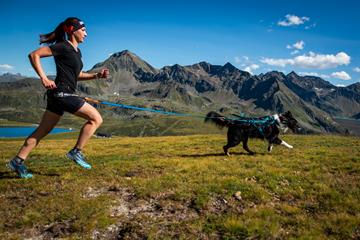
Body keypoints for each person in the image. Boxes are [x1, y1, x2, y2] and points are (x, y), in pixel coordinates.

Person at [8, 17, 109, 178]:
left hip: (59, 95)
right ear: (72, 30)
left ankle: (17, 161)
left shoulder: (76, 51)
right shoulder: (63, 46)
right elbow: (34, 55)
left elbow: (77, 75)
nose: (86, 34)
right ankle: (76, 152)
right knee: (96, 118)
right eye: (83, 30)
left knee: (42, 130)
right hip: (63, 93)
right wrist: (44, 78)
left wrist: (97, 75)